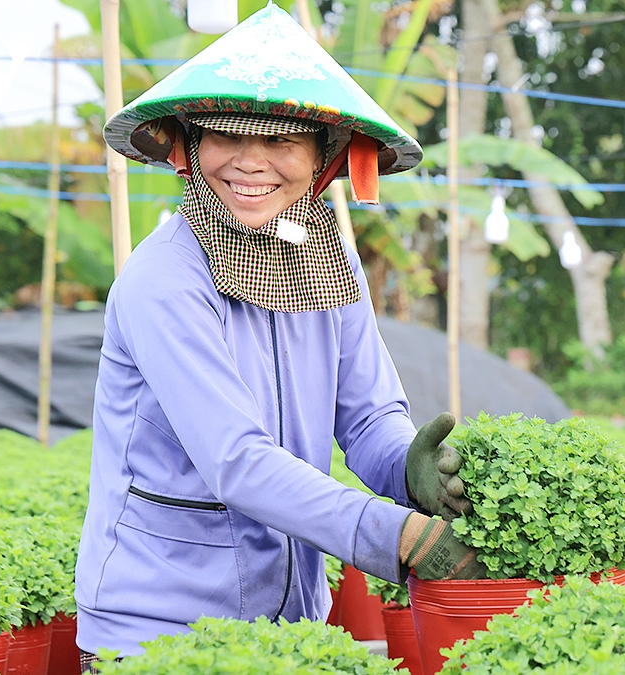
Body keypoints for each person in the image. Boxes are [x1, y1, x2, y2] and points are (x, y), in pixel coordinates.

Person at [74, 5, 485, 668]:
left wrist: (407, 469)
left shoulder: (330, 259)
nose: (249, 163)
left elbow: (368, 415)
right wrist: (397, 535)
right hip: (158, 633)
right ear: (189, 144)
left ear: (324, 155)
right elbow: (236, 459)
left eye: (282, 141)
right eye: (224, 136)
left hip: (289, 629)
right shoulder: (164, 279)